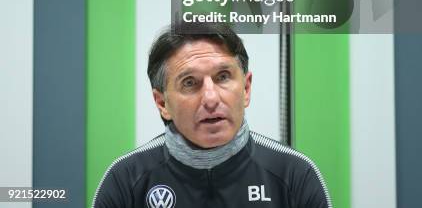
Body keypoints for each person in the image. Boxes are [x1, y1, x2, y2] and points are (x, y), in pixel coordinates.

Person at [93, 23, 332, 207]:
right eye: (190, 83)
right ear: (162, 102)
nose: (210, 98)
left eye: (223, 77)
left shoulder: (296, 175)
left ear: (246, 88)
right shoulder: (125, 180)